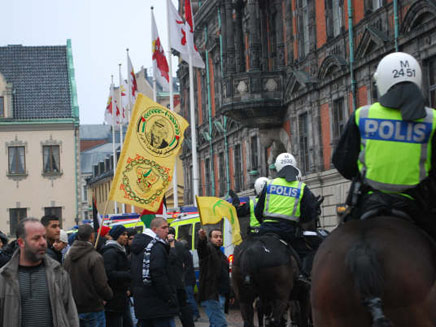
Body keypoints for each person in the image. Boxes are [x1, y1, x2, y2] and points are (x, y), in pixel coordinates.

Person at [332, 52, 436, 238]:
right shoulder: (432, 120)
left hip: (368, 202)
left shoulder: (362, 115)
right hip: (416, 205)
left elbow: (343, 163)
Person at [0, 218, 79, 326]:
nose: (43, 242)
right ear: (21, 242)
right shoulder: (4, 277)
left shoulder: (59, 274)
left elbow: (71, 316)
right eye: (36, 238)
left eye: (44, 237)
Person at [254, 153, 320, 278]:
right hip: (288, 233)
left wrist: (264, 223)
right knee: (310, 252)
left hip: (265, 230)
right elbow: (308, 215)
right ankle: (304, 277)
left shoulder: (269, 185)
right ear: (294, 166)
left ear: (277, 167)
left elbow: (258, 211)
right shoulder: (301, 188)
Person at [130, 217, 178, 327]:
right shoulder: (156, 247)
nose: (167, 231)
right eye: (164, 227)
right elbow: (158, 274)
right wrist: (169, 297)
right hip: (159, 304)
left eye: (168, 227)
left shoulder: (139, 247)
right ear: (154, 229)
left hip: (143, 303)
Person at [64, 224, 113, 327]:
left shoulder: (67, 256)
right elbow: (101, 284)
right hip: (93, 307)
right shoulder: (95, 257)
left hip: (74, 307)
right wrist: (109, 295)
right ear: (92, 236)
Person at [197, 228, 232, 327]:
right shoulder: (208, 250)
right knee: (220, 324)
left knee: (216, 323)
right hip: (211, 295)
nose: (219, 239)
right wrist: (202, 238)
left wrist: (230, 293)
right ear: (210, 239)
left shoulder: (222, 255)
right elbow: (201, 248)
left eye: (220, 236)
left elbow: (225, 275)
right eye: (216, 237)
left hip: (220, 294)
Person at [101, 225, 132, 327]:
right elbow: (109, 274)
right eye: (123, 234)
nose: (126, 237)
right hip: (114, 299)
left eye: (127, 234)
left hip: (121, 297)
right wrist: (128, 274)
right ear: (116, 236)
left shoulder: (120, 250)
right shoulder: (110, 252)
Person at [167, 227, 194, 327]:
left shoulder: (167, 247)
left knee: (171, 311)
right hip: (180, 281)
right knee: (184, 308)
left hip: (171, 283)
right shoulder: (181, 246)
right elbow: (187, 263)